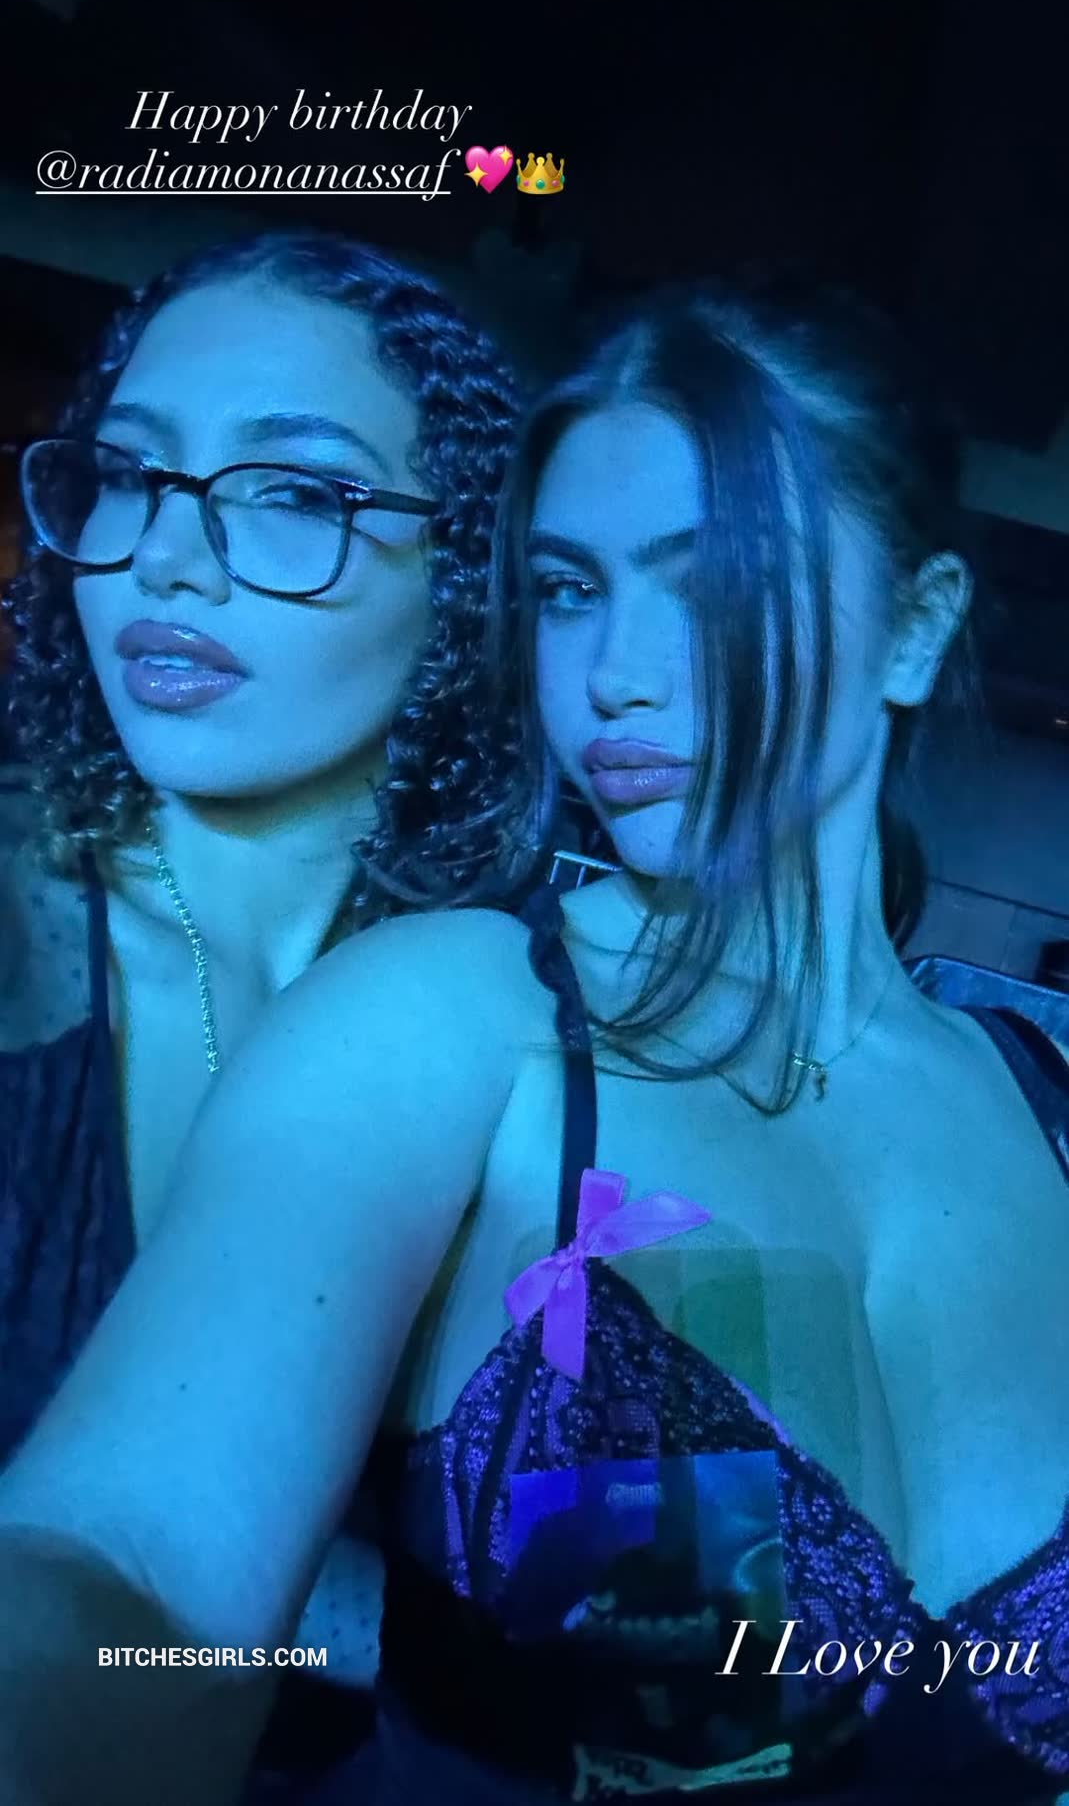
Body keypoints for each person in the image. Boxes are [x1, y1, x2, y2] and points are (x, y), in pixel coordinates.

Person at [1, 283, 1067, 1806]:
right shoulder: (446, 1018)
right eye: (568, 589)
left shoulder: (1045, 1102)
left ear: (915, 624)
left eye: (709, 585)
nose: (615, 671)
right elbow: (135, 1571)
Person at [0, 228, 519, 1794]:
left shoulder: (522, 1029)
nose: (166, 557)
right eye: (129, 475)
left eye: (294, 492)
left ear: (469, 575)